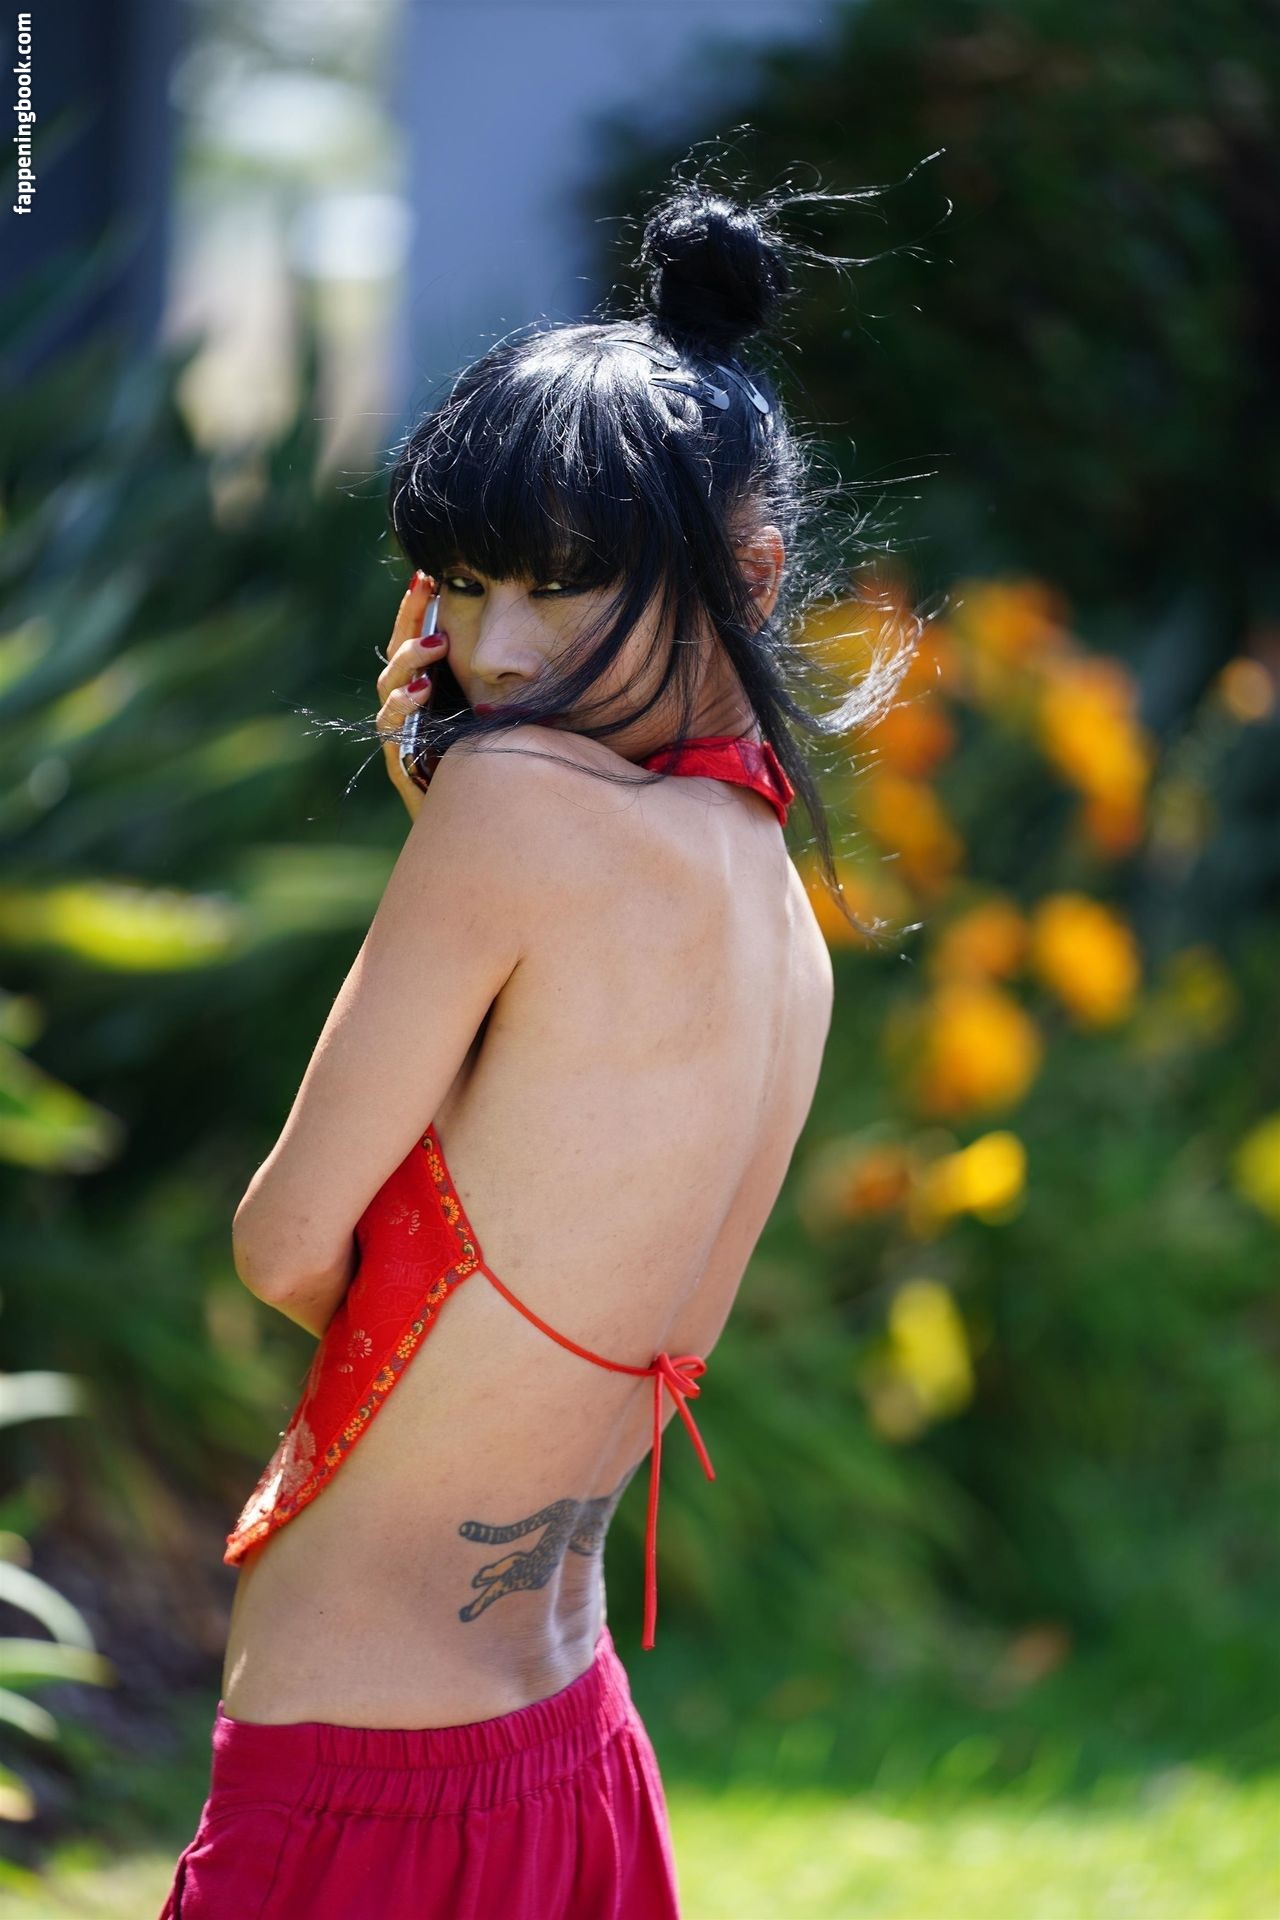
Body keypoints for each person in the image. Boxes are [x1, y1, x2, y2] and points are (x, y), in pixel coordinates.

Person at [159, 164, 921, 1920]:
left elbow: (288, 1245)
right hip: (571, 1750)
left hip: (363, 1779)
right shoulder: (782, 916)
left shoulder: (511, 811)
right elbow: (603, 1297)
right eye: (462, 583)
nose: (493, 653)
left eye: (563, 589)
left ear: (745, 578)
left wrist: (458, 824)